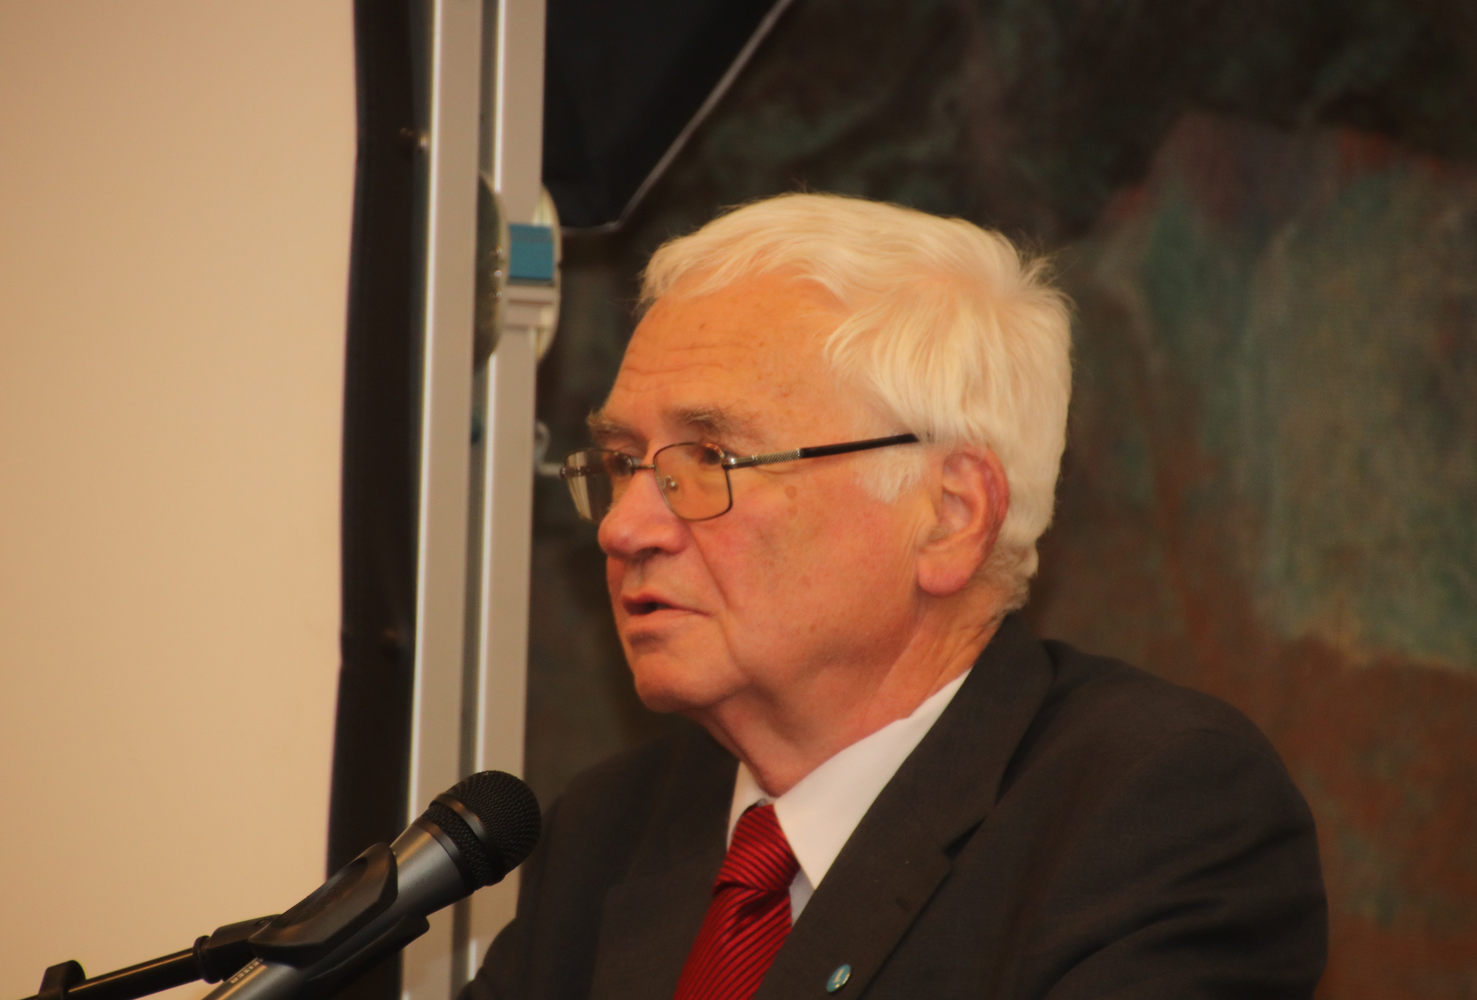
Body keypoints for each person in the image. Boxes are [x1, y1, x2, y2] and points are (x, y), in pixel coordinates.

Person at [468, 193, 1327, 999]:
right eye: (624, 463)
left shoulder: (1153, 809)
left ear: (951, 517)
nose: (624, 528)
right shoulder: (607, 830)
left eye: (710, 461)